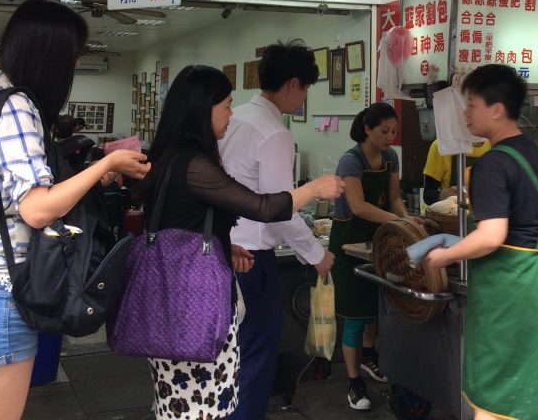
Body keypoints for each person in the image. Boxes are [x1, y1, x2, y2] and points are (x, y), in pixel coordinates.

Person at [0, 0, 151, 420]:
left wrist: (90, 176)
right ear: (50, 57)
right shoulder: (15, 106)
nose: (71, 69)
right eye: (71, 58)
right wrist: (107, 164)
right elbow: (36, 210)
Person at [134, 65, 344, 420]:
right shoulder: (195, 163)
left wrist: (221, 244)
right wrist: (314, 189)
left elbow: (179, 222)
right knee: (204, 397)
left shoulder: (172, 156)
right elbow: (263, 206)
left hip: (173, 296)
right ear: (203, 108)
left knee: (180, 396)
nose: (232, 115)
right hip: (193, 304)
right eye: (227, 106)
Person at [425, 64, 538, 420]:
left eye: (471, 105)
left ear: (496, 109)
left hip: (518, 297)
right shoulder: (537, 152)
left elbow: (491, 236)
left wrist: (444, 255)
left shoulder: (492, 165)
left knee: (497, 400)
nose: (466, 114)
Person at [220, 40, 334, 420]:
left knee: (228, 355)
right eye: (306, 90)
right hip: (253, 261)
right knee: (255, 356)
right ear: (293, 84)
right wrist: (316, 255)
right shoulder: (275, 133)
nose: (303, 100)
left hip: (224, 250)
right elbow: (281, 208)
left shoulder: (233, 117)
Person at [328, 101, 411, 412]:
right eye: (384, 131)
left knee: (375, 308)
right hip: (348, 245)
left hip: (377, 242)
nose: (390, 137)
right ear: (367, 129)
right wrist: (397, 221)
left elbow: (394, 199)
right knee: (354, 315)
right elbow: (359, 206)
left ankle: (369, 359)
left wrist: (406, 217)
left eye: (393, 131)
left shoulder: (391, 157)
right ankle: (353, 382)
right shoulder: (350, 161)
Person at [421, 137, 491, 205]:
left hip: (488, 214)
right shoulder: (441, 146)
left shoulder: (494, 145)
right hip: (452, 213)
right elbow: (428, 195)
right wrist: (443, 194)